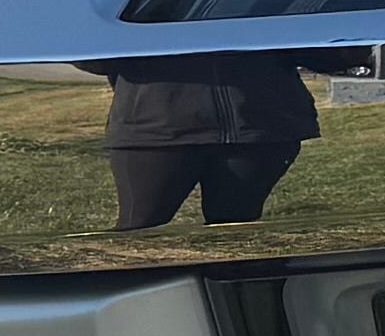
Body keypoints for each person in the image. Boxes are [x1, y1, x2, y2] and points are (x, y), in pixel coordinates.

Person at [91, 52, 321, 232]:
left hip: (260, 126)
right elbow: (93, 56)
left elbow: (323, 53)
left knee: (237, 236)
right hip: (155, 124)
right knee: (137, 235)